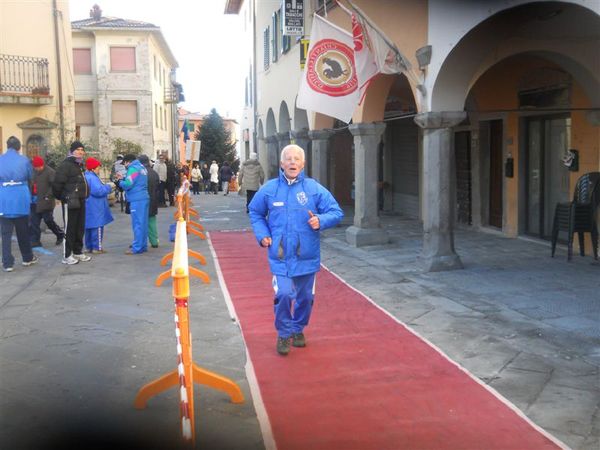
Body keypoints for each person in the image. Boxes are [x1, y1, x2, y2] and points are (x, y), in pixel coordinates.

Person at [248, 144, 343, 356]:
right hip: (280, 255)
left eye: (296, 159)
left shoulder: (314, 189)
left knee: (305, 298)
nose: (292, 162)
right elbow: (255, 212)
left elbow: (336, 212)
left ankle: (298, 329)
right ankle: (283, 333)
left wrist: (321, 220)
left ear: (303, 164)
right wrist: (262, 234)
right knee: (283, 294)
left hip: (306, 255)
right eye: (288, 159)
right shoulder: (270, 189)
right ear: (282, 164)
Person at [0, 136, 39, 272]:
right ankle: (27, 258)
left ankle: (7, 263)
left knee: (5, 234)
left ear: (7, 146)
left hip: (4, 199)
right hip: (20, 199)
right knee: (23, 231)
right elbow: (30, 177)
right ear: (18, 147)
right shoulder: (24, 160)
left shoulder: (0, 159)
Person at [52, 141, 91, 265]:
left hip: (80, 200)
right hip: (70, 201)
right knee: (70, 228)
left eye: (82, 149)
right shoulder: (66, 165)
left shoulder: (79, 165)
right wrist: (64, 197)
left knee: (79, 227)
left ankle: (77, 251)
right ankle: (67, 255)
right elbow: (57, 184)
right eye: (77, 149)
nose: (80, 152)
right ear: (72, 151)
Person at [29, 156, 64, 247]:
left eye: (40, 166)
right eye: (36, 167)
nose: (38, 168)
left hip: (46, 201)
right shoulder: (32, 172)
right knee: (34, 222)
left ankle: (60, 234)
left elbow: (54, 186)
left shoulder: (50, 172)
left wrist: (48, 195)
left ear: (43, 164)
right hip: (34, 201)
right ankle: (35, 241)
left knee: (48, 221)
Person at [117, 154, 149, 254]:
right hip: (144, 197)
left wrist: (120, 181)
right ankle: (143, 245)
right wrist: (125, 178)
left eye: (124, 163)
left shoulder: (133, 169)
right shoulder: (141, 168)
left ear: (128, 162)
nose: (125, 166)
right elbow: (135, 180)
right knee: (143, 223)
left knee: (137, 224)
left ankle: (137, 247)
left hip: (136, 199)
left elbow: (128, 184)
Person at [84, 157, 113, 254]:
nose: (99, 169)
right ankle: (97, 248)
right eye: (97, 167)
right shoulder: (93, 178)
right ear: (92, 168)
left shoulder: (85, 176)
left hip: (88, 206)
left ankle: (89, 247)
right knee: (97, 227)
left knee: (88, 227)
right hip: (96, 206)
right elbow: (99, 191)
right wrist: (108, 187)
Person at [138, 154, 160, 248]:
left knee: (141, 222)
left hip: (142, 200)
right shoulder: (154, 173)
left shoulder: (140, 173)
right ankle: (154, 241)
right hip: (153, 199)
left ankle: (141, 242)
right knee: (152, 221)